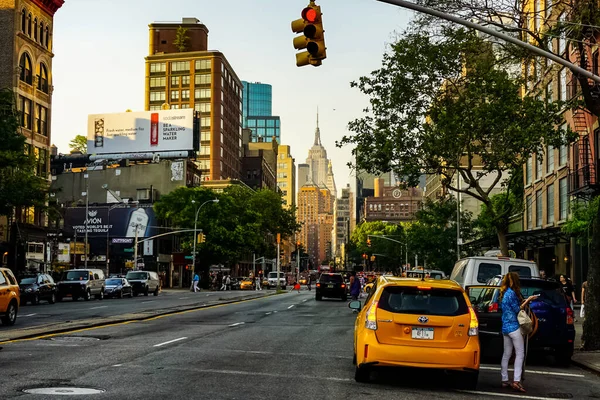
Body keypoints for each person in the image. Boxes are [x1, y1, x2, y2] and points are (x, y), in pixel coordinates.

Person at [500, 272, 537, 393]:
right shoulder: (512, 293)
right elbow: (517, 309)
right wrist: (528, 300)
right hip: (514, 327)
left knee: (506, 354)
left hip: (505, 327)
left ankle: (504, 379)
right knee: (520, 353)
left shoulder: (504, 293)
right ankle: (516, 380)